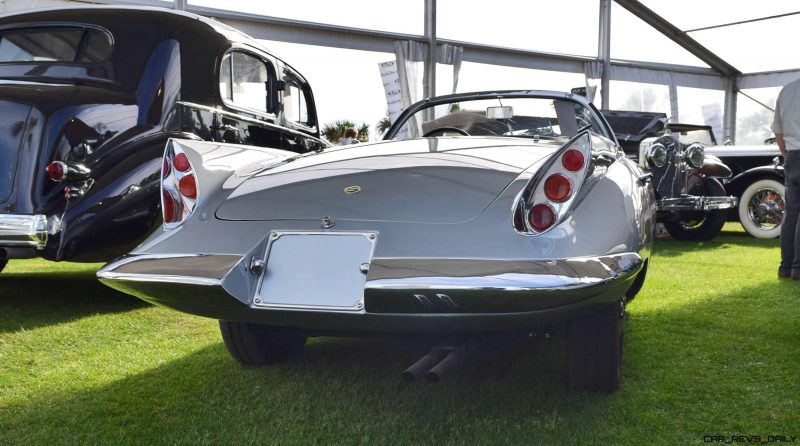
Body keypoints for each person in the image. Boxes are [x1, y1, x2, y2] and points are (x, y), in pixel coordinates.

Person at [771, 78, 800, 280]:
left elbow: (778, 131)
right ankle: (798, 268)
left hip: (792, 156)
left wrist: (787, 154)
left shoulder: (787, 90)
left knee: (791, 214)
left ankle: (786, 266)